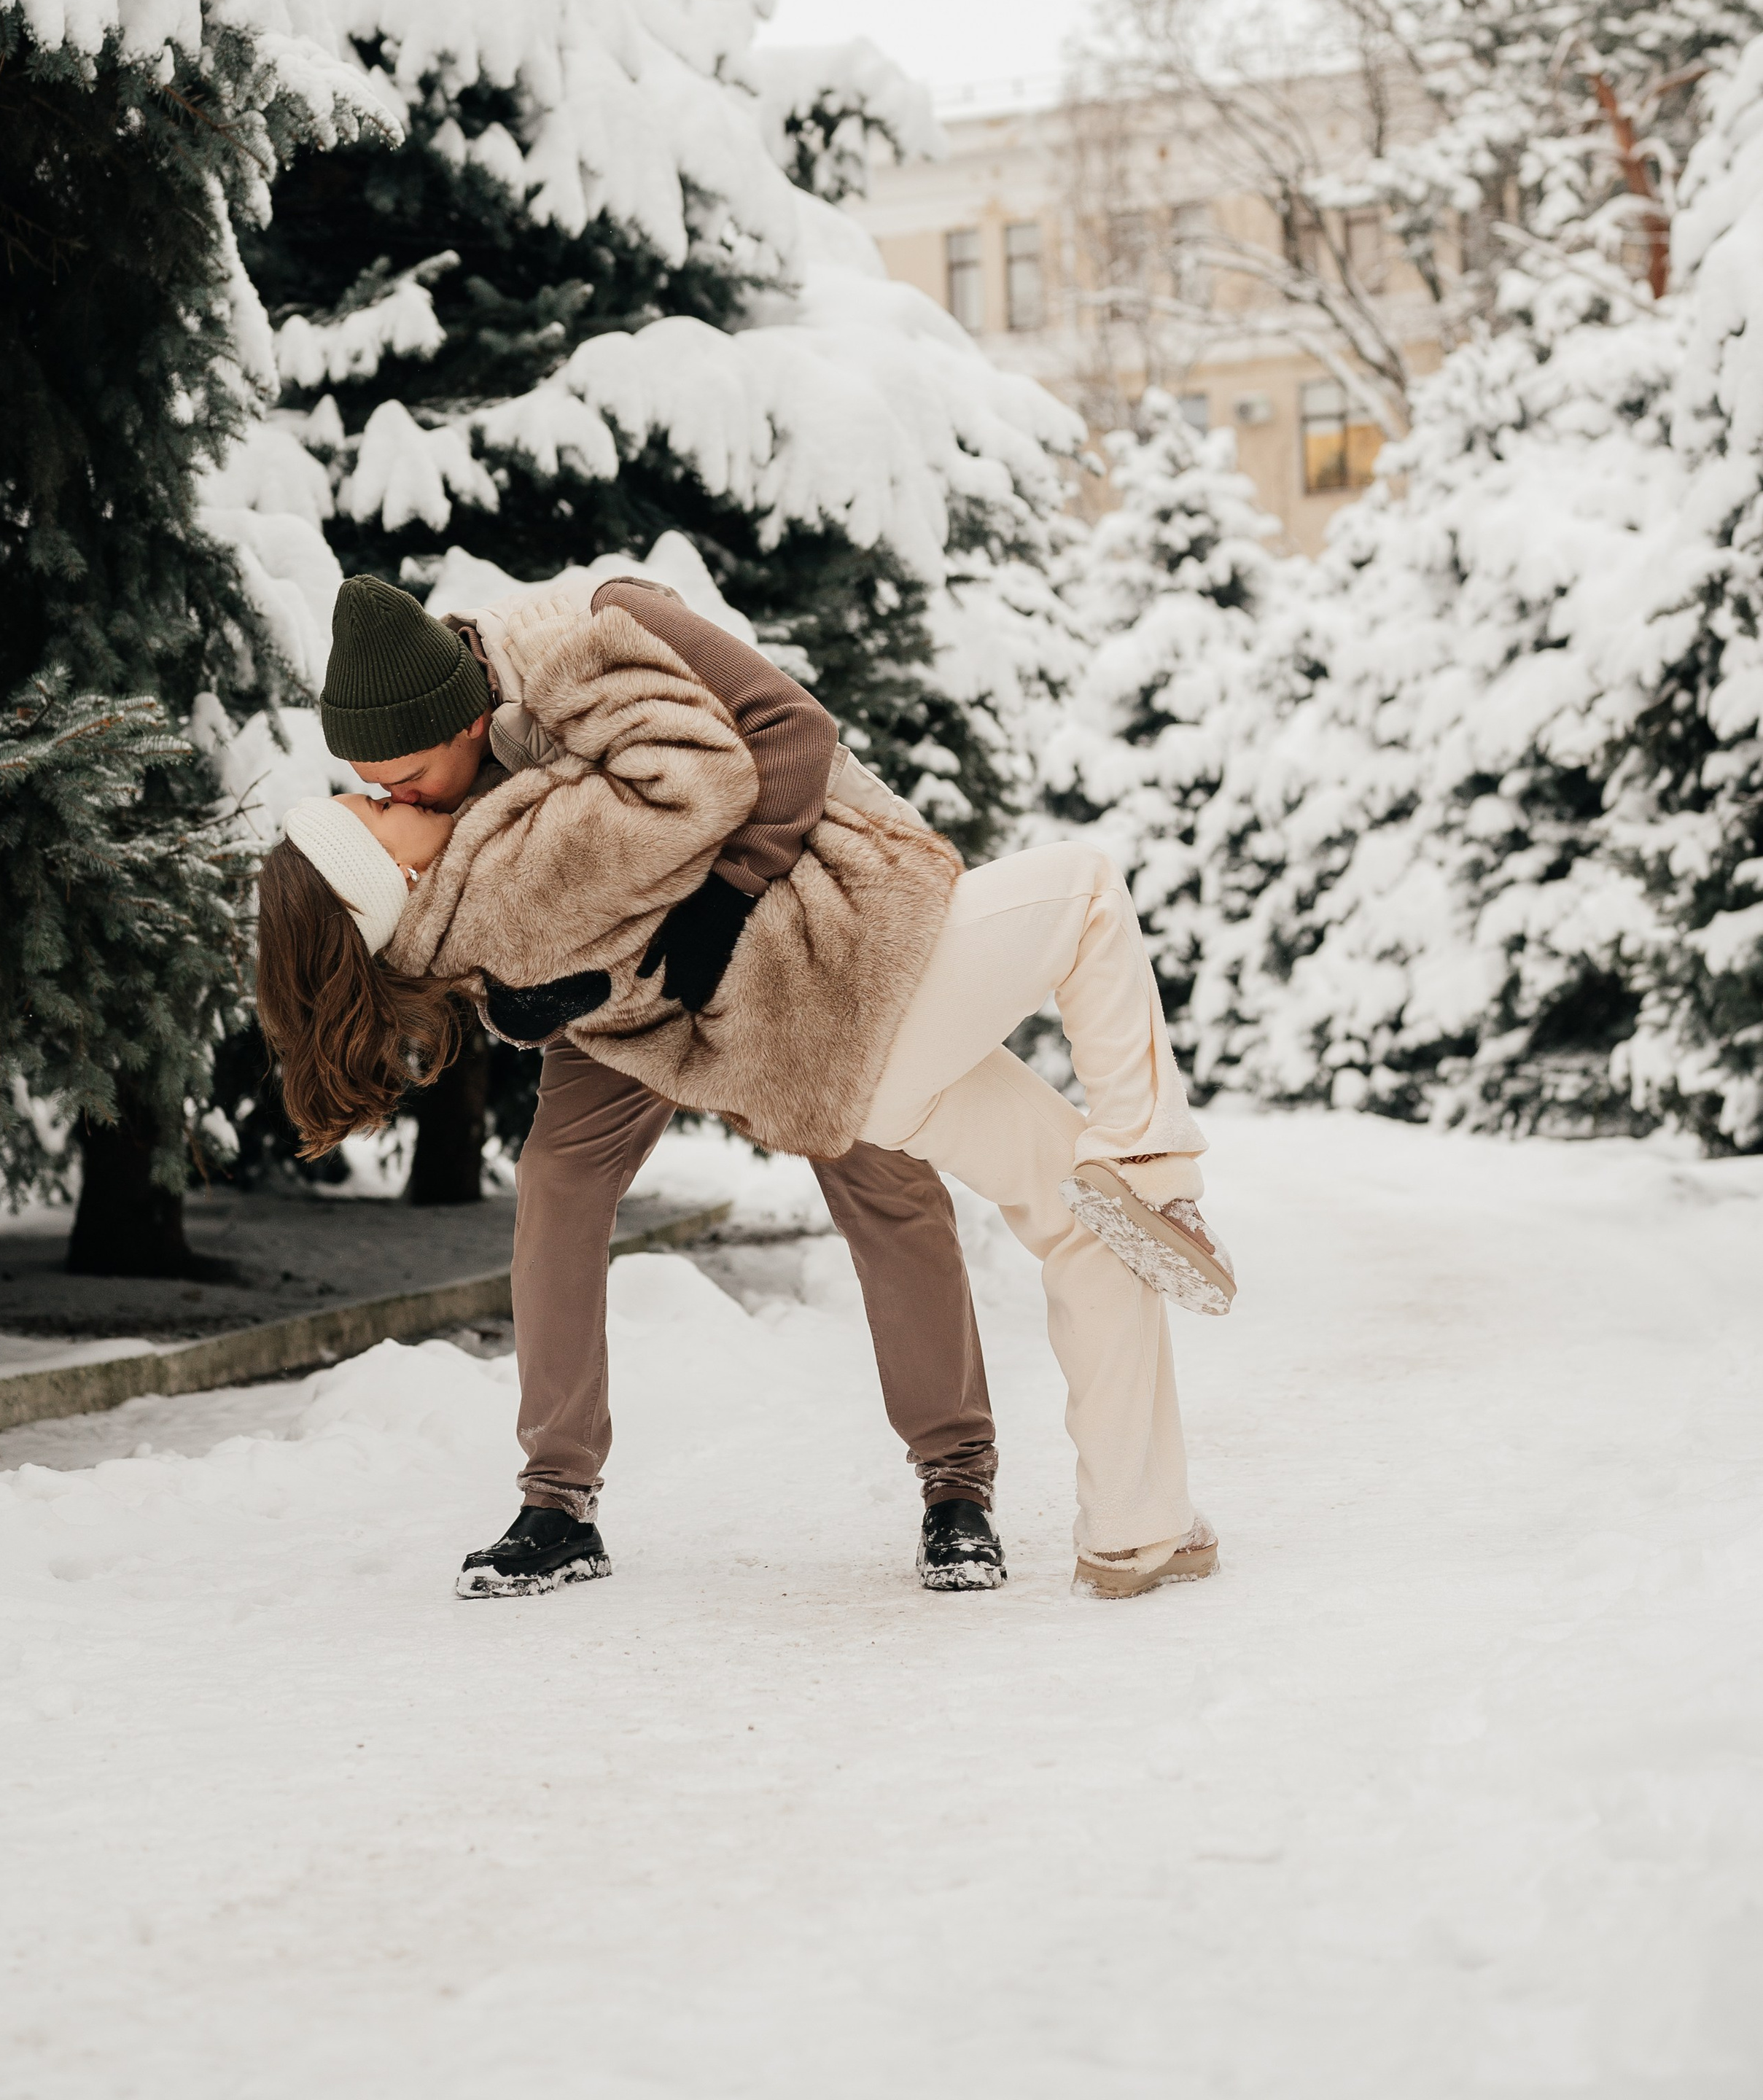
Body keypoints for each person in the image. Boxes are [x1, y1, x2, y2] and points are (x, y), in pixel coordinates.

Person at [257, 574, 1237, 1600]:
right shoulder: (443, 835)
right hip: (678, 1006)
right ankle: (557, 1499)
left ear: (466, 717)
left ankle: (984, 1487)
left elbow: (789, 736)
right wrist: (523, 1004)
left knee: (894, 1176)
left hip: (790, 924)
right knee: (557, 1179)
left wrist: (721, 903)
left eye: (403, 777)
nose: (394, 797)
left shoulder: (592, 640)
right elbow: (461, 944)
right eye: (370, 790)